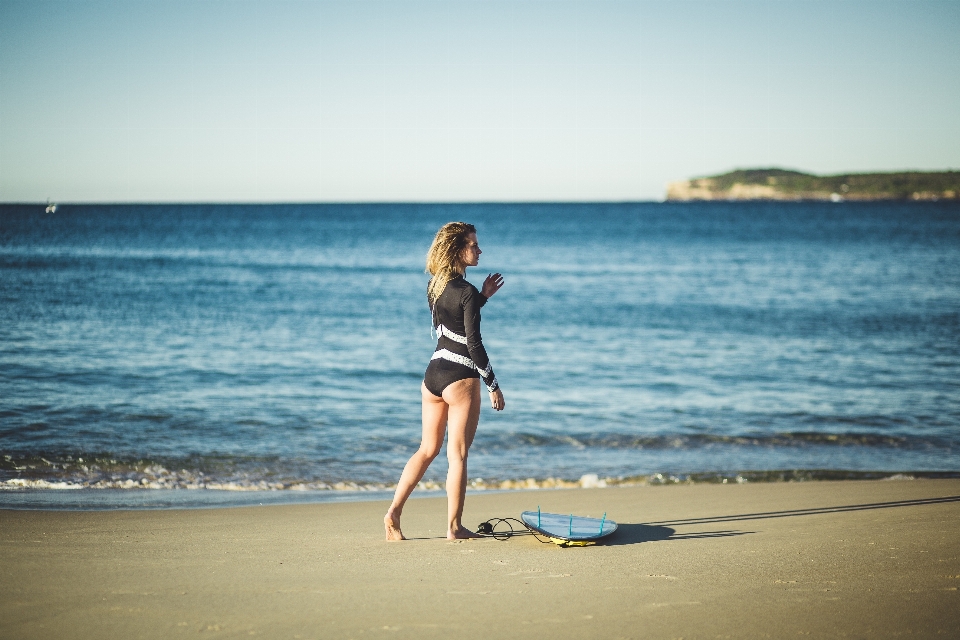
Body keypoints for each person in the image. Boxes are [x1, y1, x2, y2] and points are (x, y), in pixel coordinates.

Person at [384, 222, 505, 541]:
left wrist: (483, 297)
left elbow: (451, 323)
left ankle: (393, 512)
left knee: (426, 449)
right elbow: (473, 342)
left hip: (433, 376)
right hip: (460, 378)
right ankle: (454, 527)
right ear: (457, 249)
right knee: (458, 455)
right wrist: (492, 383)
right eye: (473, 245)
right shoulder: (464, 291)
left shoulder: (435, 286)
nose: (479, 250)